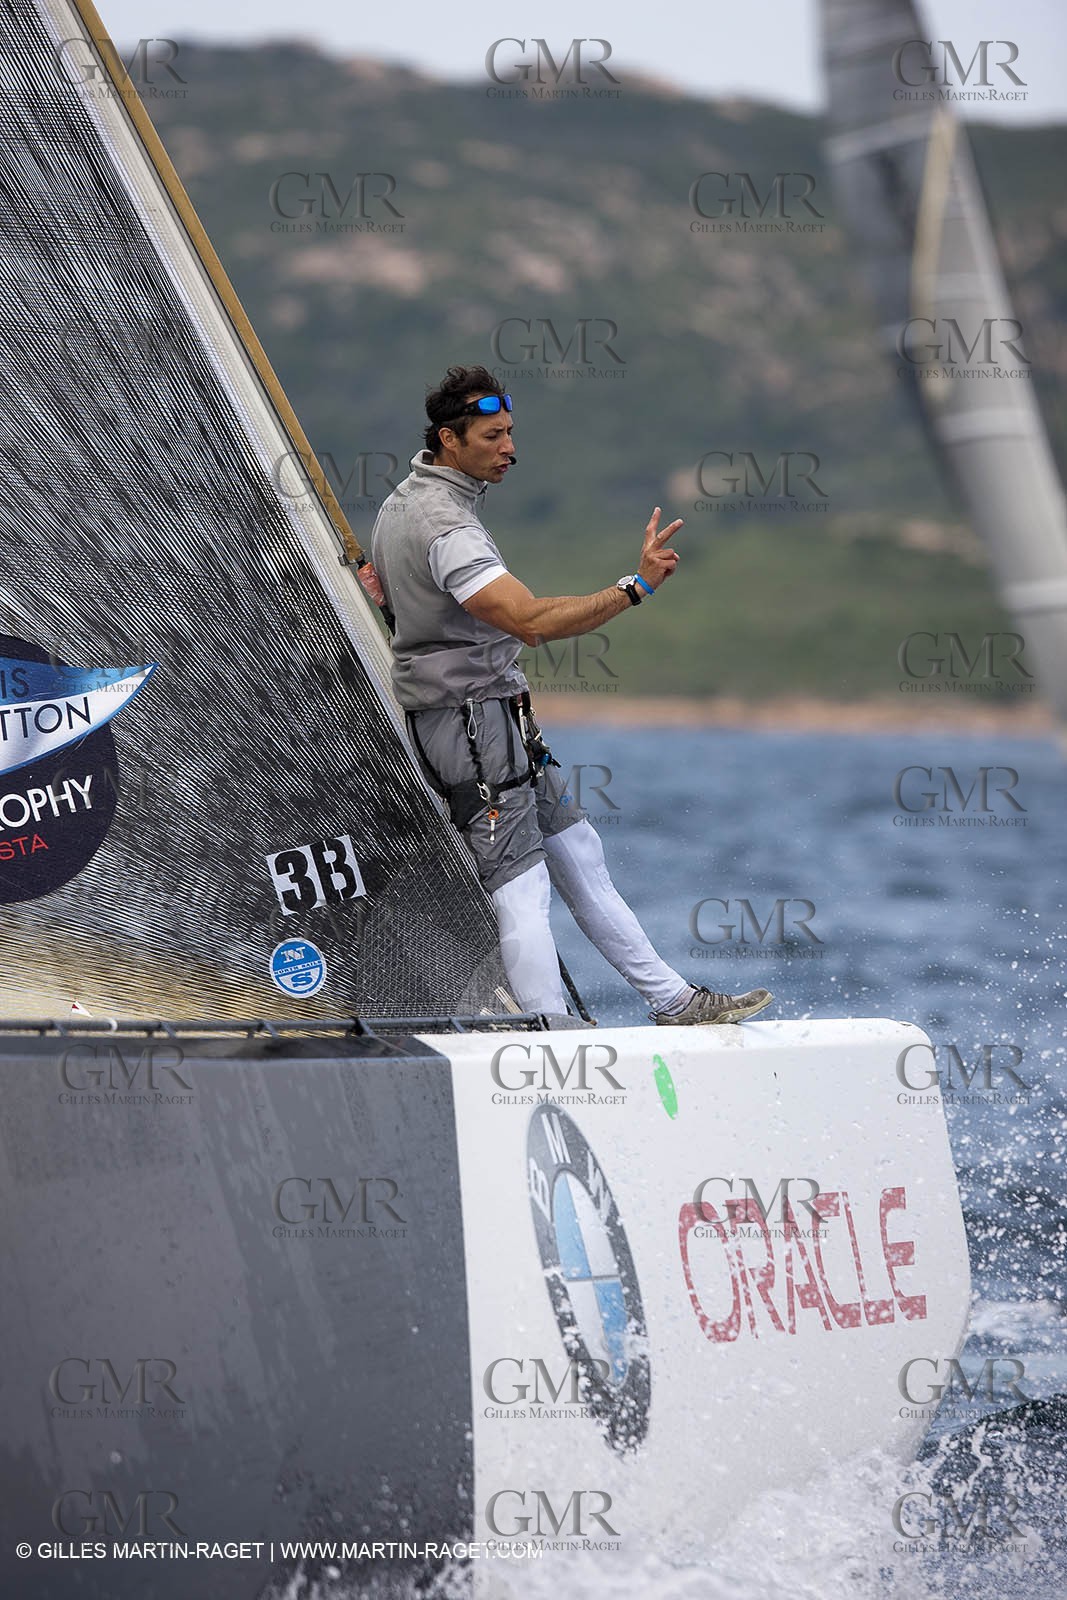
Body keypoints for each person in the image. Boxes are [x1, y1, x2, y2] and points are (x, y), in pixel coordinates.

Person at [369, 364, 772, 1026]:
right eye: (493, 436)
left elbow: (392, 584)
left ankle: (673, 1001)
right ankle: (550, 1037)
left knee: (578, 852)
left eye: (510, 433)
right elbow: (528, 622)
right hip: (469, 726)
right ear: (449, 439)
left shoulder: (402, 501)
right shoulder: (446, 526)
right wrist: (632, 587)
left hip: (496, 717)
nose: (510, 448)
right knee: (521, 888)